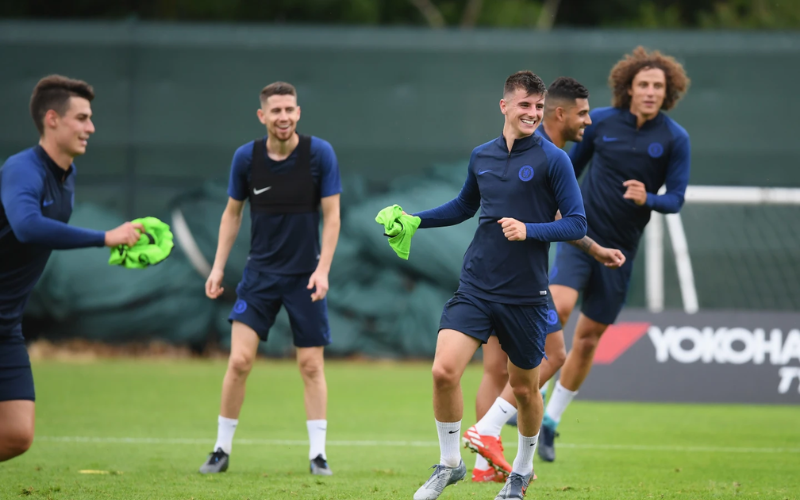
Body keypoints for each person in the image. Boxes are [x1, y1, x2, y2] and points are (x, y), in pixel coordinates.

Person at [409, 71, 587, 500]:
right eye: (525, 105)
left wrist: (530, 230)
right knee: (443, 370)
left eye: (539, 107)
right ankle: (450, 464)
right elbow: (463, 206)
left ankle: (520, 473)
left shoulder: (554, 159)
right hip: (476, 284)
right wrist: (416, 220)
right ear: (504, 106)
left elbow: (577, 223)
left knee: (525, 389)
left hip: (525, 293)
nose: (533, 113)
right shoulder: (481, 156)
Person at [464, 77, 626, 483]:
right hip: (518, 280)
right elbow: (562, 221)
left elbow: (559, 219)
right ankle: (487, 432)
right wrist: (590, 247)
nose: (588, 121)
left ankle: (485, 462)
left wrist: (594, 249)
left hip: (501, 276)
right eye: (583, 113)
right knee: (553, 356)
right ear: (561, 113)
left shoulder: (544, 150)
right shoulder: (546, 153)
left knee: (496, 371)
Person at [539, 47, 691, 463]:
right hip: (579, 236)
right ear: (628, 87)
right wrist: (552, 202)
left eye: (658, 86)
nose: (650, 91)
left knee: (588, 341)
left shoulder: (675, 138)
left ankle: (551, 420)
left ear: (668, 91)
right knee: (560, 308)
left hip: (621, 252)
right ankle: (527, 392)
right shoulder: (600, 123)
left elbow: (676, 199)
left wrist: (650, 199)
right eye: (643, 84)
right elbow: (568, 165)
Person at [198, 82, 341, 476]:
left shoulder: (320, 154)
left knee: (311, 366)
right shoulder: (246, 158)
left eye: (290, 110)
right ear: (262, 116)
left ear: (298, 113)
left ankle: (318, 455)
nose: (283, 117)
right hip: (259, 276)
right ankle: (220, 450)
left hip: (305, 278)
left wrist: (323, 269)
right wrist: (216, 268)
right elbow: (232, 214)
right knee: (240, 360)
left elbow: (332, 217)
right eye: (275, 111)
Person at [0, 75, 143, 462]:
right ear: (52, 119)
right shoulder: (21, 170)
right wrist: (104, 237)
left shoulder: (67, 177)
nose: (91, 128)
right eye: (81, 118)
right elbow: (27, 227)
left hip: (6, 323)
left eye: (90, 118)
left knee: (16, 434)